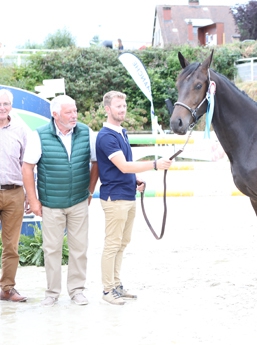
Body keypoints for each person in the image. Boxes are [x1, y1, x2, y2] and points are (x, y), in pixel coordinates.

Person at [97, 91, 172, 305]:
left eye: (124, 105)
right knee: (112, 244)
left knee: (122, 243)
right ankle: (107, 290)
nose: (122, 109)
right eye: (118, 106)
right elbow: (123, 165)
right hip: (116, 198)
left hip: (127, 194)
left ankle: (116, 284)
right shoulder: (107, 136)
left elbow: (124, 168)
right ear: (108, 109)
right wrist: (155, 164)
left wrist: (135, 179)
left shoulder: (121, 132)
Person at [22, 95, 99, 307]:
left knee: (79, 248)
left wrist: (90, 191)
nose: (74, 115)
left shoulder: (86, 132)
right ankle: (52, 293)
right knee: (52, 249)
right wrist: (34, 201)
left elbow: (96, 162)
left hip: (79, 201)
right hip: (51, 203)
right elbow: (27, 167)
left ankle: (77, 291)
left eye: (75, 111)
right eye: (68, 112)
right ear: (55, 114)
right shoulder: (39, 136)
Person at [0, 89, 29, 303]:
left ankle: (7, 288)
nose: (2, 108)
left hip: (14, 193)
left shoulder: (21, 129)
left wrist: (30, 193)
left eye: (6, 104)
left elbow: (27, 165)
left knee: (11, 246)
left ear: (11, 106)